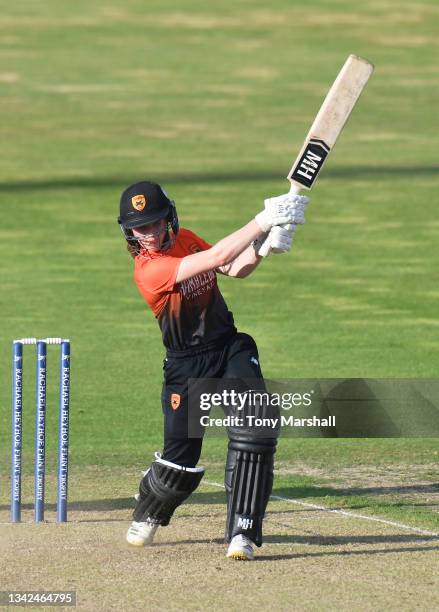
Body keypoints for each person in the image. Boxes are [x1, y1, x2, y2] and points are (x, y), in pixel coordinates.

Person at [118, 180, 309, 560]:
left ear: (168, 217)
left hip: (227, 348)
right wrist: (264, 218)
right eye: (142, 227)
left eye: (156, 223)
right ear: (130, 231)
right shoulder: (149, 270)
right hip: (186, 368)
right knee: (180, 464)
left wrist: (265, 245)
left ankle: (243, 532)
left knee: (255, 427)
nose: (151, 234)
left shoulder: (185, 237)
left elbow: (232, 267)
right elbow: (217, 254)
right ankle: (149, 507)